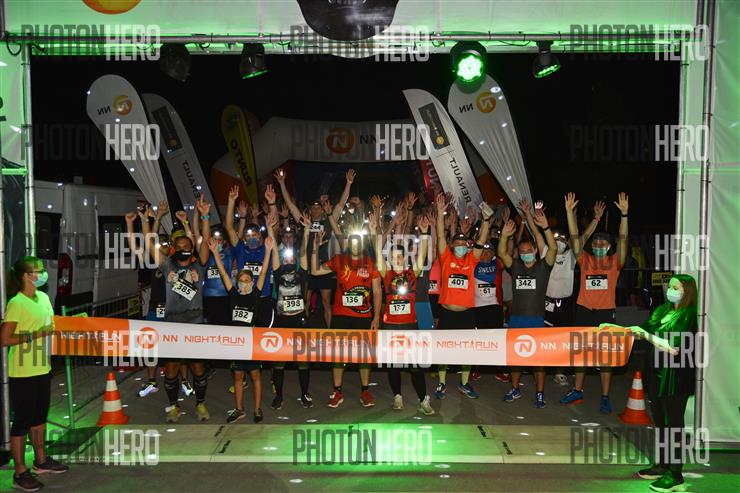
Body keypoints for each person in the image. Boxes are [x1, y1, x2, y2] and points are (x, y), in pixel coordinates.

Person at [601, 275, 697, 493]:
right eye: (669, 286)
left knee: (674, 425)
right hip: (656, 374)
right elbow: (640, 331)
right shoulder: (662, 311)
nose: (670, 290)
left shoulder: (689, 315)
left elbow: (674, 348)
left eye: (676, 287)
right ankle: (662, 465)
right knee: (661, 423)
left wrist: (646, 335)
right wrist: (614, 328)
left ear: (687, 291)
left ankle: (676, 474)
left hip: (675, 377)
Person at [1, 256, 69, 492]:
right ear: (25, 276)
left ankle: (41, 460)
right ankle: (20, 472)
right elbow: (4, 338)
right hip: (23, 371)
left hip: (42, 367)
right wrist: (35, 335)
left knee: (39, 418)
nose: (42, 273)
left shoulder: (44, 298)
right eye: (37, 270)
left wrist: (73, 324)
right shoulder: (16, 303)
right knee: (22, 422)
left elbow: (52, 326)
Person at [143, 198, 212, 423]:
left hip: (195, 324)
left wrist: (204, 216)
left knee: (198, 369)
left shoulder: (199, 265)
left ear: (192, 250)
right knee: (171, 370)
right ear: (173, 249)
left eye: (186, 246)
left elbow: (205, 240)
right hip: (171, 325)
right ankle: (174, 406)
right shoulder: (167, 265)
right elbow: (149, 243)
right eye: (179, 246)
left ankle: (200, 403)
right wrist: (152, 219)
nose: (182, 249)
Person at [559, 192, 629, 414]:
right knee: (580, 353)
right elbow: (574, 239)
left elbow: (623, 239)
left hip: (605, 313)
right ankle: (577, 390)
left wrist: (624, 215)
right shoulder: (585, 260)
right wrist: (569, 213)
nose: (599, 244)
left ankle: (605, 396)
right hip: (584, 311)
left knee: (605, 357)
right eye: (596, 241)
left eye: (603, 242)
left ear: (609, 246)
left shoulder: (615, 262)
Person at [311, 226, 381, 408]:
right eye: (353, 241)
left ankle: (365, 390)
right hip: (341, 315)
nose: (356, 244)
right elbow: (315, 271)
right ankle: (337, 391)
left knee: (364, 356)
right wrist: (315, 247)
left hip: (363, 316)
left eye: (359, 241)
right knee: (338, 354)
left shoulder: (370, 263)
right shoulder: (339, 260)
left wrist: (376, 317)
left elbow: (377, 291)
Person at [276, 167, 356, 328]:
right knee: (304, 301)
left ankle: (330, 332)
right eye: (313, 207)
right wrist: (282, 183)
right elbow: (290, 205)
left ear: (322, 209)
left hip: (323, 268)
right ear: (310, 210)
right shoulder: (305, 222)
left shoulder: (328, 221)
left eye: (318, 207)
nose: (316, 210)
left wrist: (348, 183)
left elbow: (341, 203)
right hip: (306, 268)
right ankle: (304, 330)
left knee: (326, 303)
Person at [372, 211, 435, 415]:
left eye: (399, 257)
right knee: (394, 365)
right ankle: (397, 397)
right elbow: (377, 254)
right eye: (393, 257)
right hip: (390, 327)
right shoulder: (387, 273)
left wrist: (424, 234)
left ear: (404, 258)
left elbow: (422, 257)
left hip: (410, 326)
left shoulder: (411, 273)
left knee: (416, 365)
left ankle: (423, 400)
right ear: (390, 259)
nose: (397, 260)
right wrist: (374, 233)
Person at [432, 194, 493, 400]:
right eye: (457, 242)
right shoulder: (446, 257)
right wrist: (440, 213)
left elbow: (481, 241)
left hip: (466, 315)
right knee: (443, 350)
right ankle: (441, 383)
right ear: (452, 245)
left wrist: (486, 220)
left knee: (467, 350)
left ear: (467, 246)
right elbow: (441, 237)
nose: (460, 245)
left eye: (463, 243)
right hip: (447, 313)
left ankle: (465, 383)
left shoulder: (471, 260)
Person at [497, 206, 557, 409]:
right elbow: (501, 252)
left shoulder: (543, 267)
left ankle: (540, 393)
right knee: (515, 357)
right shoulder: (516, 266)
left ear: (535, 251)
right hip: (516, 319)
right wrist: (504, 236)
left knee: (538, 360)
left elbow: (553, 249)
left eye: (528, 251)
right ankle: (515, 389)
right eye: (522, 252)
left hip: (536, 320)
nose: (525, 255)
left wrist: (546, 228)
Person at [209, 236, 273, 423]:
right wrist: (215, 253)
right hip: (236, 344)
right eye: (241, 280)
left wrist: (268, 251)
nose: (244, 282)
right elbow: (223, 273)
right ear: (237, 282)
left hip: (251, 344)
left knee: (255, 376)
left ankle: (258, 409)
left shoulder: (255, 295)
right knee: (237, 377)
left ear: (252, 282)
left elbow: (263, 273)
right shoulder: (234, 295)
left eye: (247, 280)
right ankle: (239, 409)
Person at [270, 212, 313, 410]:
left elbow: (303, 253)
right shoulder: (278, 272)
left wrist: (306, 231)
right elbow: (274, 253)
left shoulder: (301, 273)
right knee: (279, 362)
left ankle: (304, 394)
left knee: (303, 361)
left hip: (299, 320)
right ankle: (279, 396)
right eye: (285, 258)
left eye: (291, 258)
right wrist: (270, 229)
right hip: (282, 320)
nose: (288, 259)